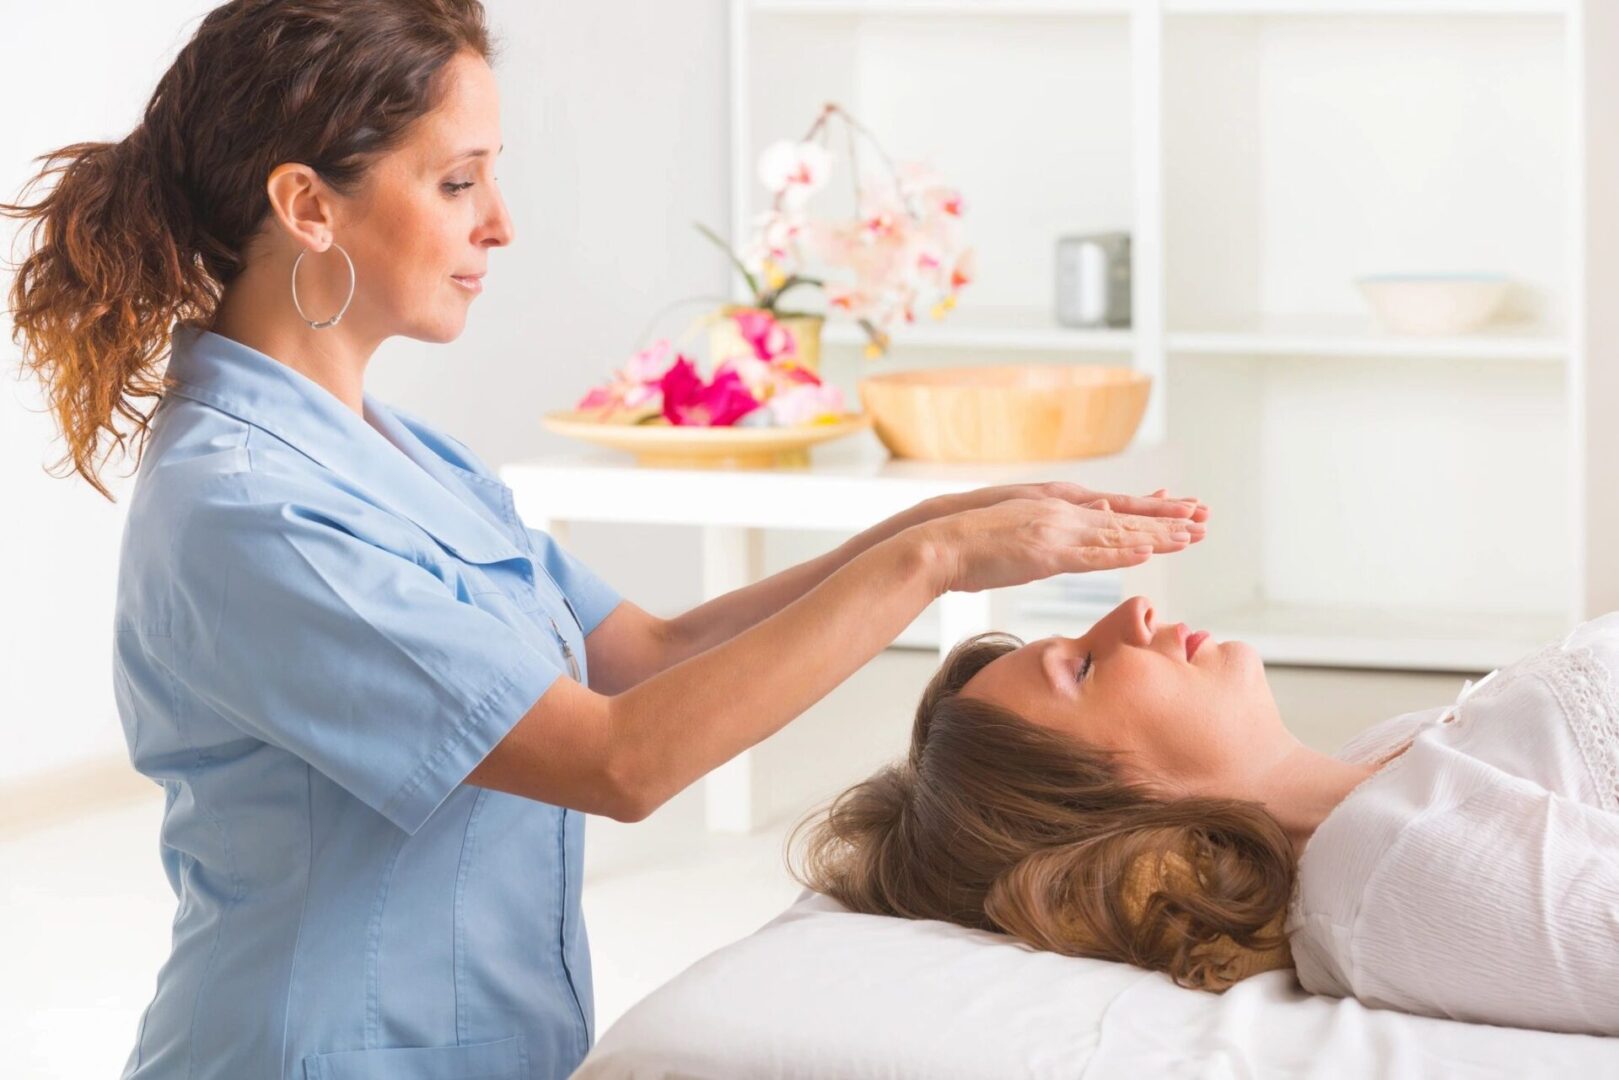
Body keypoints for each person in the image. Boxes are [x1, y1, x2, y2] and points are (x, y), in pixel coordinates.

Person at [1, 2, 1208, 1076]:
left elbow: (649, 649)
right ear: (308, 205)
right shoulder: (257, 511)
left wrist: (940, 518)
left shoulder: (393, 450)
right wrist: (929, 566)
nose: (501, 225)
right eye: (457, 181)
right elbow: (617, 758)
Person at [792, 594, 1619, 1035]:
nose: (1135, 615)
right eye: (1081, 668)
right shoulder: (1394, 879)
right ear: (1108, 807)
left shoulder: (1381, 755)